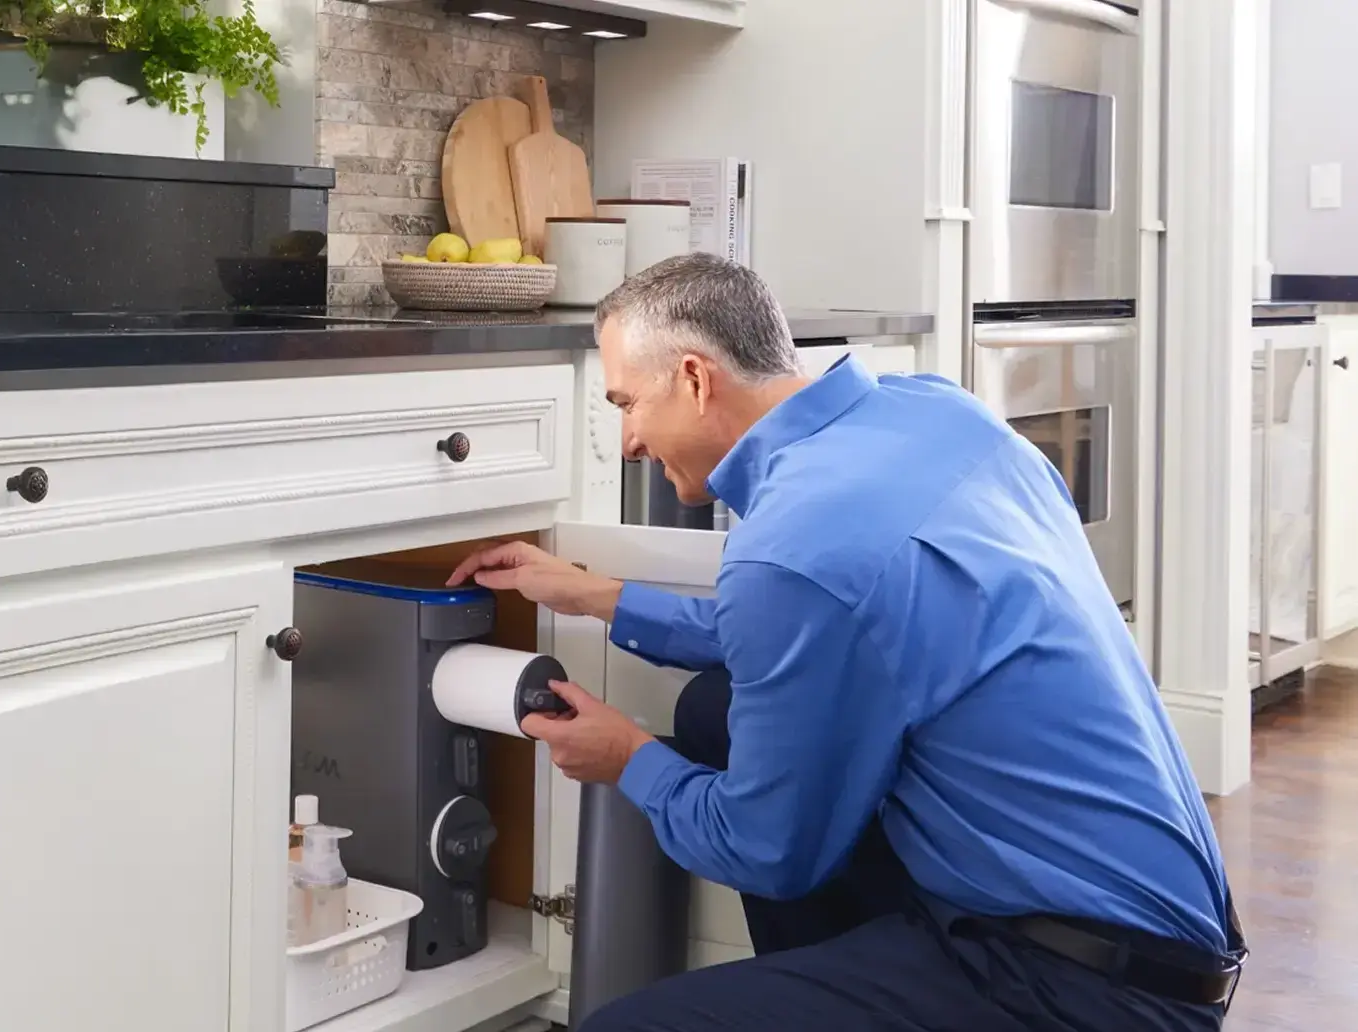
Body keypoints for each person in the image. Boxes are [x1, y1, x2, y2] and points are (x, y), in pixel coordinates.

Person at [446, 253, 1243, 1032]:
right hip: (1167, 932)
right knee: (718, 713)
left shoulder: (792, 546)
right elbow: (829, 628)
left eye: (627, 404)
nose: (627, 441)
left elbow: (767, 850)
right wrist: (601, 598)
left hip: (1070, 986)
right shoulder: (937, 413)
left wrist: (627, 760)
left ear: (694, 379)